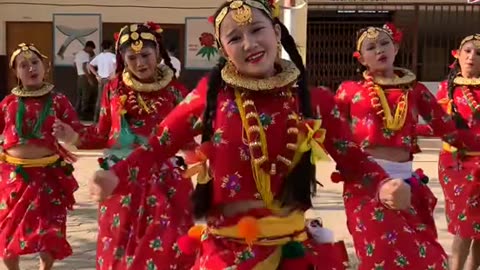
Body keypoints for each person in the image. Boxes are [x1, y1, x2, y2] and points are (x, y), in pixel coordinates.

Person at [88, 2, 413, 269]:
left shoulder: (313, 100)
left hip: (291, 251)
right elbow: (159, 145)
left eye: (257, 30)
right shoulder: (208, 97)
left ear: (276, 31)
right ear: (223, 49)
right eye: (235, 37)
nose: (249, 43)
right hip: (226, 252)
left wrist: (384, 183)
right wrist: (114, 177)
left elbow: (352, 158)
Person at [334, 24, 480, 269]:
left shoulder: (416, 91)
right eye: (371, 47)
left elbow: (447, 128)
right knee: (379, 256)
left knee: (425, 257)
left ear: (396, 48)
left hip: (407, 184)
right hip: (365, 184)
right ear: (361, 59)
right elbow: (332, 134)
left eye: (384, 44)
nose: (379, 50)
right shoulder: (349, 91)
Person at [54, 23, 195, 270]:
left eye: (145, 56)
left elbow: (188, 137)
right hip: (121, 184)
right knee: (120, 251)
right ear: (123, 59)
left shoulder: (176, 92)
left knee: (168, 250)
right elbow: (101, 134)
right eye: (132, 57)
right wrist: (73, 136)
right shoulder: (113, 89)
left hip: (167, 184)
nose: (140, 63)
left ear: (158, 54)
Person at [0, 43, 83, 270]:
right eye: (23, 65)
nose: (30, 69)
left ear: (45, 66)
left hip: (49, 177)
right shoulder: (8, 103)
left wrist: (69, 134)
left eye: (34, 63)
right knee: (8, 235)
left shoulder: (58, 101)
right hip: (14, 179)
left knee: (48, 233)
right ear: (16, 73)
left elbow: (78, 134)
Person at [417, 34, 480, 270]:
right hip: (457, 166)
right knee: (464, 225)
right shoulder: (447, 89)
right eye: (467, 51)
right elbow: (437, 124)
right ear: (458, 55)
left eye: (478, 53)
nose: (472, 57)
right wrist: (408, 130)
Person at [89, 40, 116, 122]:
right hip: (110, 80)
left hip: (101, 79)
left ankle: (96, 119)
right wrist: (112, 74)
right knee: (111, 99)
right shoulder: (113, 56)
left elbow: (90, 65)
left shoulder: (99, 56)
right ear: (111, 46)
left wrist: (96, 75)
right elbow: (117, 66)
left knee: (100, 99)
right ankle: (109, 119)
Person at [74, 40, 96, 120]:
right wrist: (89, 79)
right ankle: (83, 115)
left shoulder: (78, 54)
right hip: (84, 77)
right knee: (85, 96)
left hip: (79, 76)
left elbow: (74, 64)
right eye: (91, 49)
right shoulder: (85, 55)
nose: (92, 51)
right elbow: (84, 67)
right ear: (88, 47)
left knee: (79, 96)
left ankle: (75, 114)